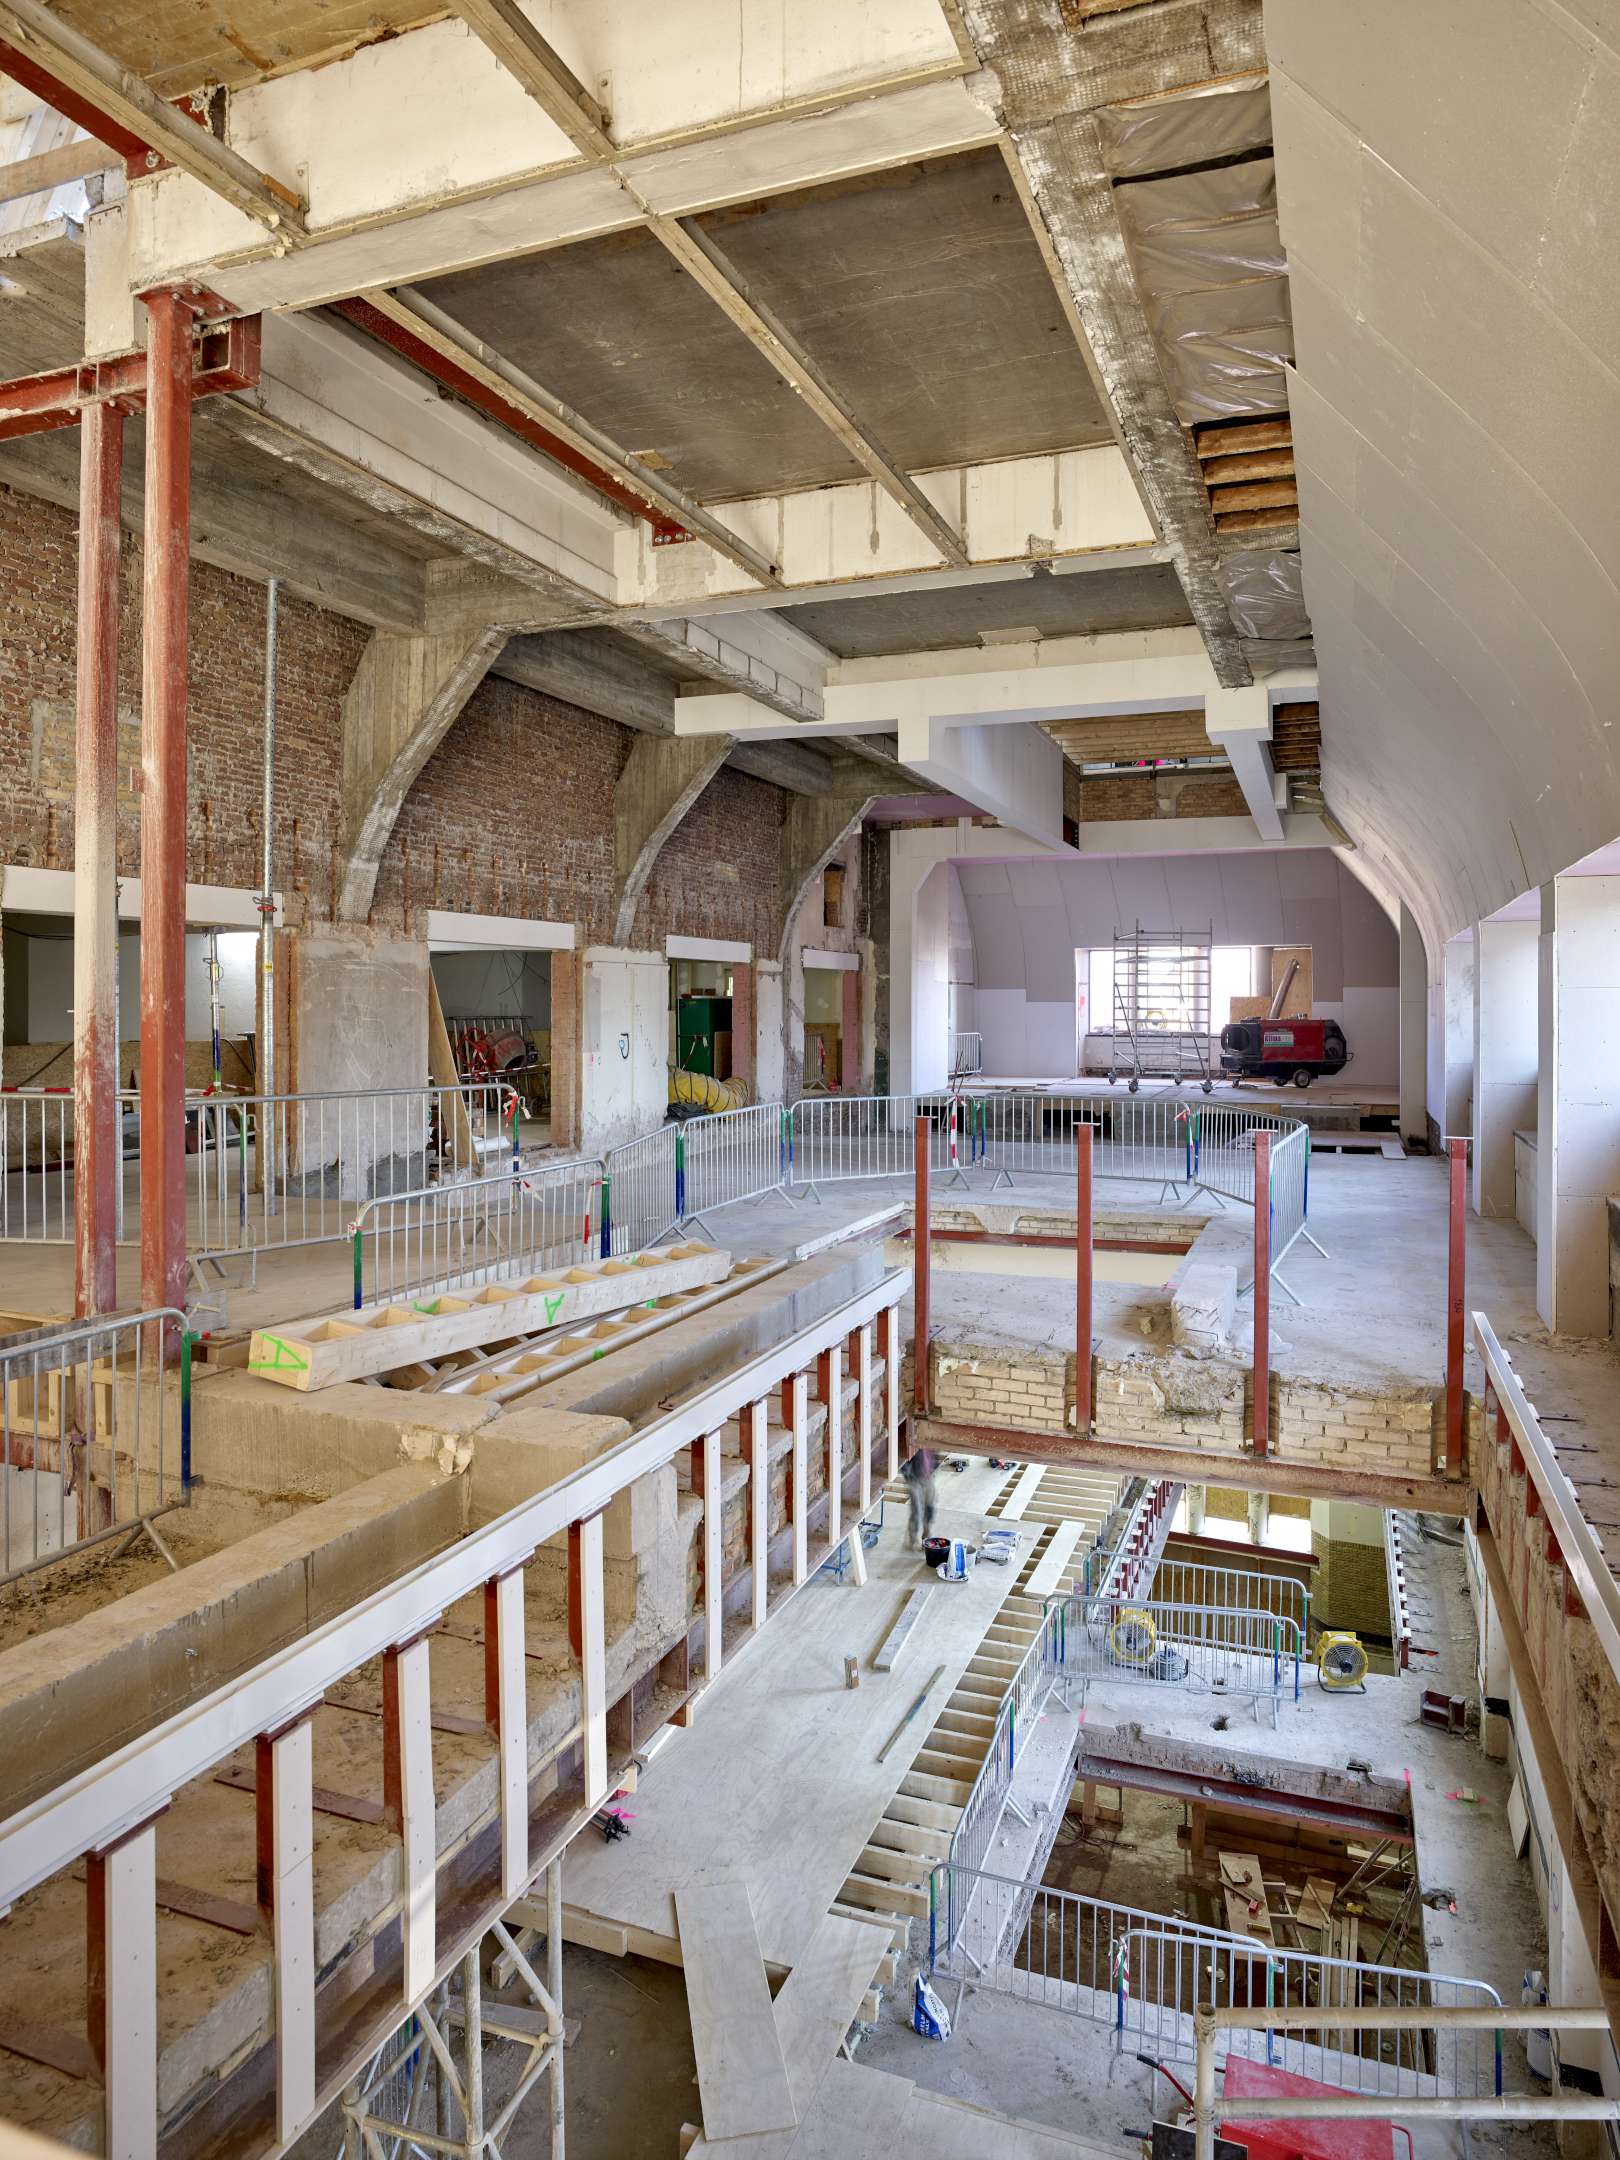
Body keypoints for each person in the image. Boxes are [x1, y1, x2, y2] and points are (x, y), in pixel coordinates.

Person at [899, 1444, 939, 1552]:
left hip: (928, 1477)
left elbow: (933, 1452)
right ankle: (912, 1540)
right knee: (916, 1510)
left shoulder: (928, 1438)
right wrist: (908, 1474)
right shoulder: (911, 1438)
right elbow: (901, 1458)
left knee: (930, 1508)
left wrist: (934, 1466)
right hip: (914, 1480)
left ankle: (927, 1537)